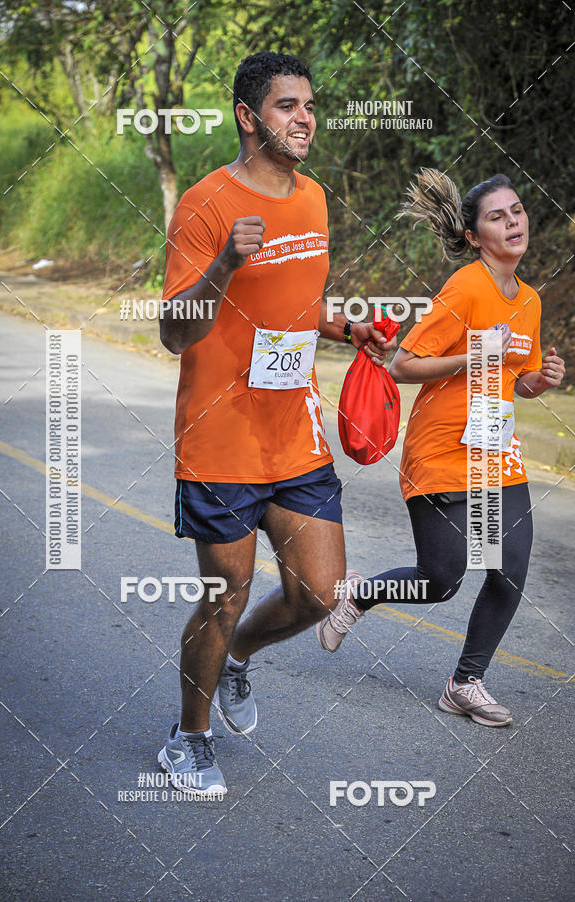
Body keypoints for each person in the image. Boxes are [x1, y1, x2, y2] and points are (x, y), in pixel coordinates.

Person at [157, 51, 395, 796]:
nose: (305, 119)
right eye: (288, 105)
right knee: (225, 593)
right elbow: (172, 332)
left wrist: (344, 328)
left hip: (294, 433)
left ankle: (236, 661)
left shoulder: (316, 200)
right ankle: (187, 740)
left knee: (320, 593)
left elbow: (293, 305)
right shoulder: (205, 204)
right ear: (247, 116)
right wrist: (225, 261)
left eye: (309, 106)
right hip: (221, 438)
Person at [317, 168, 566, 727]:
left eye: (517, 210)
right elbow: (402, 364)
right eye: (497, 216)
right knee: (442, 579)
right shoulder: (467, 286)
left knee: (510, 571)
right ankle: (360, 594)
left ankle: (465, 683)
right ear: (476, 236)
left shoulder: (528, 300)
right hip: (441, 451)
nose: (513, 221)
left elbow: (515, 379)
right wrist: (476, 356)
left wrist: (540, 381)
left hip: (496, 452)